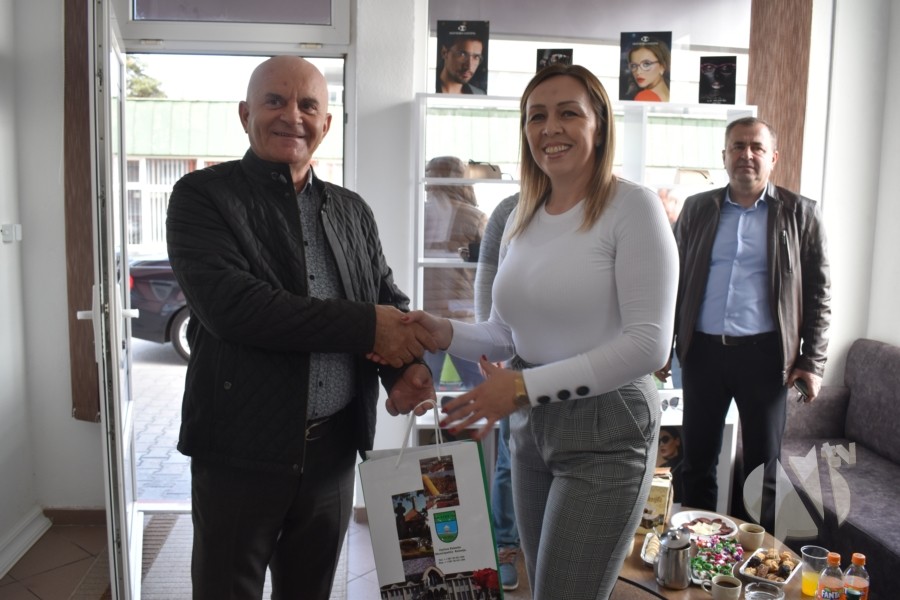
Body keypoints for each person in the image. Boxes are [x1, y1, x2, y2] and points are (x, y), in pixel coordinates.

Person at [165, 56, 437, 600]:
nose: (293, 116)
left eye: (308, 105)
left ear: (326, 123)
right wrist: (369, 327)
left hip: (332, 453)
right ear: (245, 114)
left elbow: (383, 297)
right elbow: (237, 309)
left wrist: (404, 371)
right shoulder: (202, 196)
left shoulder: (352, 210)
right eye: (275, 101)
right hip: (238, 451)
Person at [406, 64, 679, 600]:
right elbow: (504, 334)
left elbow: (649, 345)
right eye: (536, 116)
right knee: (542, 587)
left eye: (568, 113)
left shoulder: (633, 207)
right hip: (532, 426)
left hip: (607, 426)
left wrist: (522, 387)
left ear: (600, 124)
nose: (550, 128)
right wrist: (440, 331)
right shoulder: (520, 214)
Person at [655, 116, 831, 532]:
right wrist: (662, 346)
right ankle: (697, 547)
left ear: (773, 157)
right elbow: (673, 281)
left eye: (756, 147)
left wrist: (813, 361)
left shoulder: (801, 213)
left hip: (766, 358)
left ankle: (754, 557)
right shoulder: (698, 209)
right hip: (702, 354)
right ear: (724, 155)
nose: (746, 155)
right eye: (737, 146)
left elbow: (819, 292)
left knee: (761, 470)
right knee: (696, 461)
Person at [474, 192, 521, 591]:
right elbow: (486, 278)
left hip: (583, 366)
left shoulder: (609, 203)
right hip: (517, 359)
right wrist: (486, 349)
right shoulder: (508, 210)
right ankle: (505, 546)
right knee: (509, 457)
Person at [422, 156, 488, 390]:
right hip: (463, 317)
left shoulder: (417, 215)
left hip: (426, 317)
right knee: (481, 386)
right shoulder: (475, 218)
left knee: (425, 387)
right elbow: (490, 267)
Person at [657, 425, 683, 502]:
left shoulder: (685, 467)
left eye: (665, 439)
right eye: (659, 441)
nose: (661, 444)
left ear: (677, 441)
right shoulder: (661, 468)